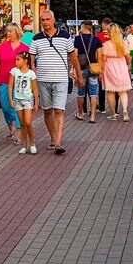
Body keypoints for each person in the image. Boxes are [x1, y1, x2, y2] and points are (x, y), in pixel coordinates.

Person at [29, 10, 81, 155]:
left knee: (59, 110)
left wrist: (78, 74)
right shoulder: (36, 38)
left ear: (53, 20)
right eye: (42, 20)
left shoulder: (65, 36)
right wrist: (33, 69)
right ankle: (53, 139)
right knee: (47, 110)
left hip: (61, 78)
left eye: (47, 19)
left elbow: (73, 56)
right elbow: (31, 59)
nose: (45, 22)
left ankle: (58, 142)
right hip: (43, 79)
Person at [0, 24, 27, 142]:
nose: (8, 33)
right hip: (3, 81)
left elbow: (28, 66)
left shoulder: (24, 48)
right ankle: (11, 127)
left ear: (17, 32)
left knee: (18, 107)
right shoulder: (2, 47)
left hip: (19, 83)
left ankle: (19, 132)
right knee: (6, 107)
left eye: (11, 31)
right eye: (7, 31)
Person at [97, 23, 132, 121]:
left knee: (110, 92)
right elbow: (128, 57)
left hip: (110, 68)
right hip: (122, 67)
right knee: (123, 91)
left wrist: (101, 71)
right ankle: (125, 110)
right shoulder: (124, 43)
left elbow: (103, 60)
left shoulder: (106, 45)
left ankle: (113, 114)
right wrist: (128, 66)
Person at [9, 51, 39, 154]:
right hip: (18, 99)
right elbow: (10, 86)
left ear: (25, 61)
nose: (16, 62)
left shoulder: (31, 73)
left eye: (18, 60)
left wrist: (36, 102)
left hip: (28, 99)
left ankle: (32, 143)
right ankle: (24, 145)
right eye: (16, 59)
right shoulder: (14, 71)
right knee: (22, 123)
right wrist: (10, 99)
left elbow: (35, 89)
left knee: (28, 122)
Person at [72, 21, 101, 123]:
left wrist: (74, 69)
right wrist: (100, 69)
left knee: (81, 93)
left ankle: (80, 114)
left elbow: (74, 55)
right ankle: (92, 116)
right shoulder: (97, 40)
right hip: (93, 69)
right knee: (93, 93)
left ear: (83, 27)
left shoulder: (78, 39)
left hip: (81, 69)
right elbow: (99, 56)